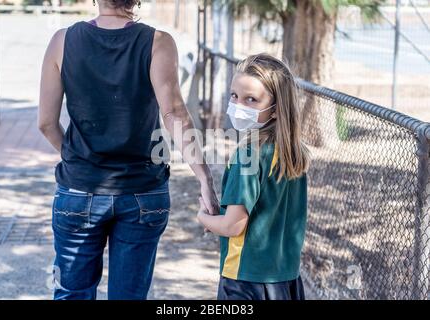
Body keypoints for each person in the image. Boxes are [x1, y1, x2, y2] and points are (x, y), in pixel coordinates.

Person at [38, 0, 219, 300]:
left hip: (80, 190)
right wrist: (204, 178)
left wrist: (78, 160)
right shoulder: (158, 42)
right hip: (143, 192)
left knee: (72, 294)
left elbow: (46, 123)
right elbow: (174, 113)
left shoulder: (62, 41)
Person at [197, 53, 311, 300]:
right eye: (235, 96)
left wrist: (204, 218)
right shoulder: (293, 153)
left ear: (276, 109)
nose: (239, 106)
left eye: (252, 100)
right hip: (286, 281)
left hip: (245, 281)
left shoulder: (248, 154)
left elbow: (232, 225)